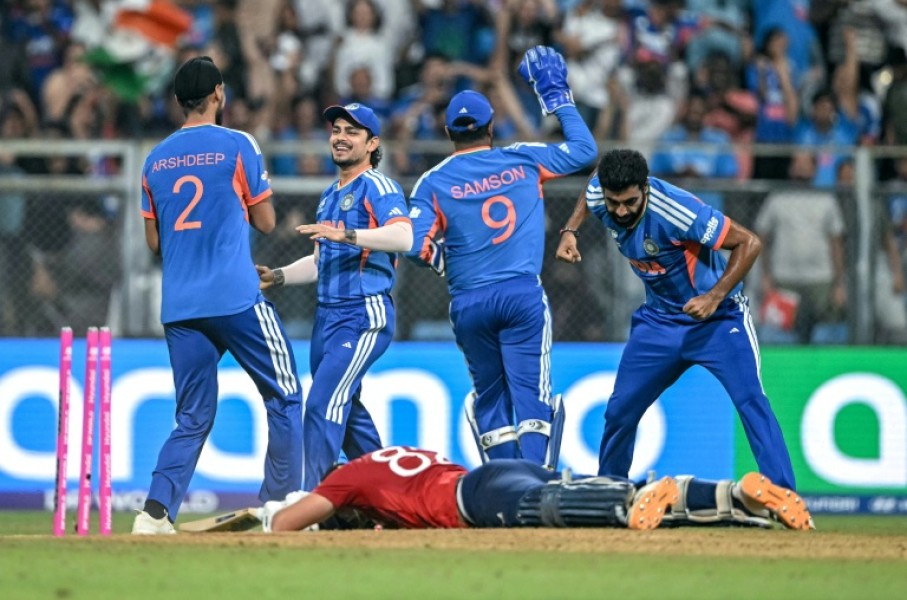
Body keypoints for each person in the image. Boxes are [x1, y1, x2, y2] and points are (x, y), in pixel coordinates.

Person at [555, 148, 797, 491]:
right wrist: (570, 230)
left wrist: (714, 297)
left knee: (751, 403)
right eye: (614, 203)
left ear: (646, 189)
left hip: (718, 320)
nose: (621, 211)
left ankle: (784, 497)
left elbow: (749, 242)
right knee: (620, 413)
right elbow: (592, 186)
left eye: (630, 202)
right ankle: (608, 494)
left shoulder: (680, 211)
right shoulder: (602, 192)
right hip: (659, 322)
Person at [134, 56, 303, 534]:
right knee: (286, 394)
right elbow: (266, 221)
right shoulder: (237, 144)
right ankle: (280, 506)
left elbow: (154, 243)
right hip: (235, 297)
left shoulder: (155, 158)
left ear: (177, 100)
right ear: (218, 94)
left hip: (181, 306)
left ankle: (155, 514)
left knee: (191, 416)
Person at [407, 46, 597, 470]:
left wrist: (444, 262)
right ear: (492, 127)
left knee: (490, 402)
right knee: (532, 399)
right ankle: (534, 490)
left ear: (448, 131)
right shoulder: (523, 158)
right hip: (521, 295)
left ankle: (504, 492)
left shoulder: (432, 181)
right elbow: (585, 152)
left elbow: (413, 245)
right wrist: (556, 96)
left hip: (470, 301)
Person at [256, 103, 412, 491]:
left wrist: (348, 235)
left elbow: (404, 237)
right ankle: (391, 496)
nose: (340, 137)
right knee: (350, 415)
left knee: (323, 405)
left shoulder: (379, 185)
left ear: (373, 143)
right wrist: (277, 276)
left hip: (363, 313)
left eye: (352, 132)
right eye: (337, 129)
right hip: (326, 319)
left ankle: (309, 502)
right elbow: (318, 261)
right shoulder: (329, 194)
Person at [258, 446, 813, 532]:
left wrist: (282, 520)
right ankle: (737, 497)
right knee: (640, 489)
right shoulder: (392, 457)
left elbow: (285, 524)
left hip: (474, 500)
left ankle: (624, 506)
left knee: (543, 510)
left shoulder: (345, 478)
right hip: (496, 468)